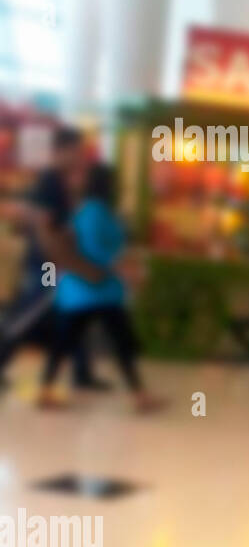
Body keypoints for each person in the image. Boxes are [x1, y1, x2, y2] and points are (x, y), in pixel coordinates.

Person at [36, 162, 161, 413]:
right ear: (107, 185)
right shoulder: (94, 211)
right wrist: (120, 267)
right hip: (90, 290)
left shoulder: (96, 210)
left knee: (77, 341)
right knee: (108, 342)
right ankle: (140, 396)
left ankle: (140, 395)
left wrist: (121, 264)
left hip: (93, 291)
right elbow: (93, 247)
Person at [0, 126, 109, 391]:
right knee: (33, 310)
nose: (80, 156)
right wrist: (60, 263)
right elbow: (44, 226)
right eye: (77, 151)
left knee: (76, 310)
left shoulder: (59, 181)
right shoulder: (50, 181)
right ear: (64, 150)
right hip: (47, 262)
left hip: (57, 258)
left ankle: (82, 372)